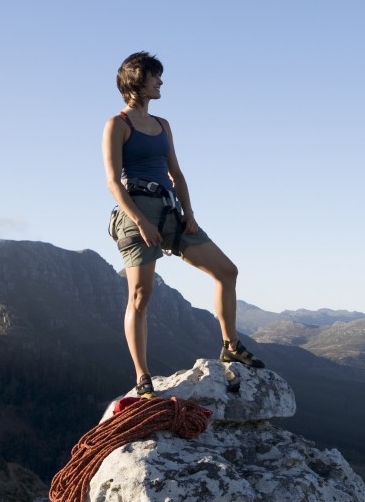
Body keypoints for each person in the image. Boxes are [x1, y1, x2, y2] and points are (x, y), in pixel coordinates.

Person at [102, 51, 264, 399]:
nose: (160, 82)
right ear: (136, 80)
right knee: (141, 296)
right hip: (137, 212)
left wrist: (190, 213)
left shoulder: (163, 125)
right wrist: (141, 221)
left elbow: (176, 174)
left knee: (227, 271)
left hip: (171, 210)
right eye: (154, 76)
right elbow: (113, 182)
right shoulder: (117, 125)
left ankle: (230, 345)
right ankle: (143, 378)